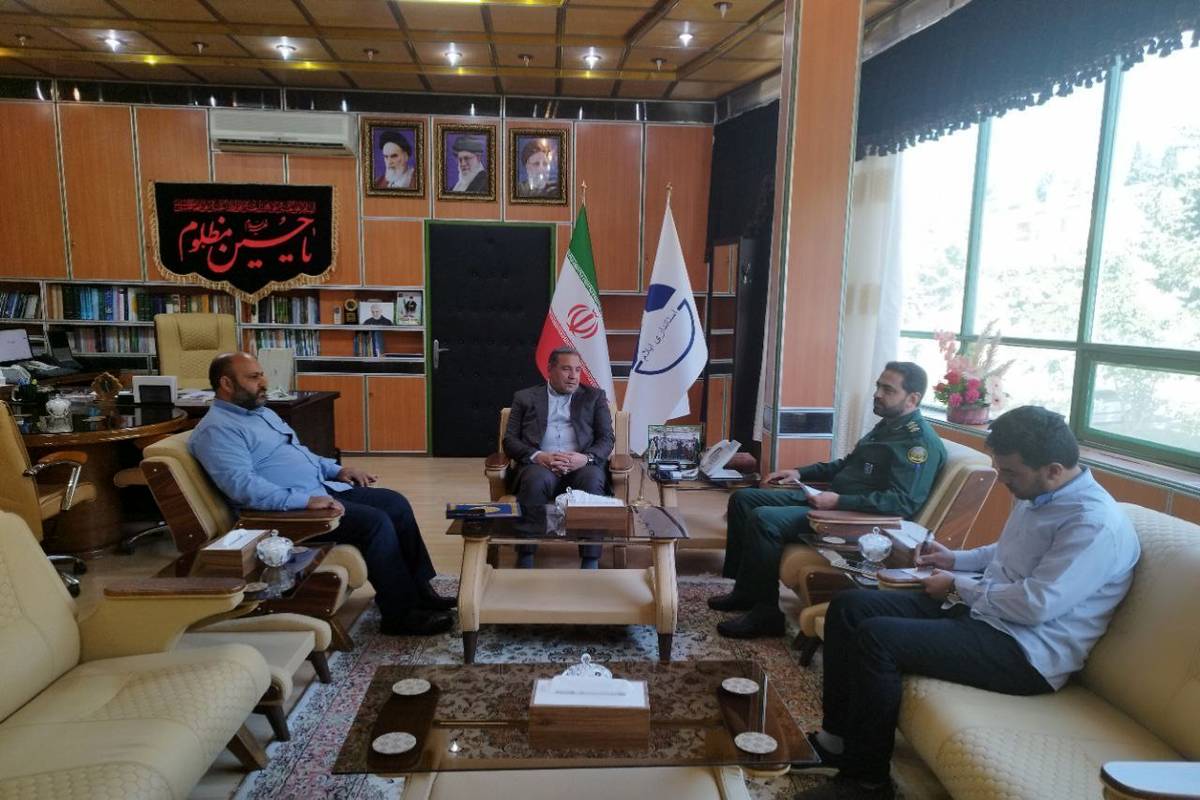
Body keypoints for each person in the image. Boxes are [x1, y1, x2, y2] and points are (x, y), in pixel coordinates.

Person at [799, 406, 1140, 800]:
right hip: (987, 613)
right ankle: (837, 740)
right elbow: (1006, 551)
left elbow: (1037, 605)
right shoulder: (1039, 494)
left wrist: (957, 586)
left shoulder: (1093, 525)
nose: (1002, 479)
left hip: (1025, 652)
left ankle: (867, 781)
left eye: (1010, 472)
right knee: (850, 607)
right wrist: (954, 560)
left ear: (1053, 469)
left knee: (878, 638)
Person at [190, 352, 455, 636]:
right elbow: (244, 488)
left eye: (261, 374)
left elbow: (302, 455)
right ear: (226, 383)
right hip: (288, 514)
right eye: (254, 377)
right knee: (374, 522)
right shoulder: (217, 430)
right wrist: (305, 501)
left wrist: (337, 470)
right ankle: (399, 615)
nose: (264, 382)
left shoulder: (262, 413)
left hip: (319, 490)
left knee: (394, 503)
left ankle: (420, 591)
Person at [711, 362, 946, 638]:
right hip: (832, 503)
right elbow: (846, 465)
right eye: (878, 386)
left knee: (764, 519)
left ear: (912, 399)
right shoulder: (888, 426)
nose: (877, 394)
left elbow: (902, 503)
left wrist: (839, 501)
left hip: (860, 522)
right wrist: (801, 472)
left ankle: (767, 615)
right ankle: (746, 592)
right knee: (743, 499)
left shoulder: (918, 444)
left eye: (888, 389)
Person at [502, 347, 615, 569]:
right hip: (541, 466)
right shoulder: (525, 397)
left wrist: (586, 458)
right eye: (566, 369)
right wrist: (538, 456)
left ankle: (590, 560)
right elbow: (510, 440)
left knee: (592, 480)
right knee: (534, 481)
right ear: (550, 370)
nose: (573, 376)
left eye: (577, 370)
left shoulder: (594, 397)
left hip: (581, 466)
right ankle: (526, 557)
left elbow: (607, 439)